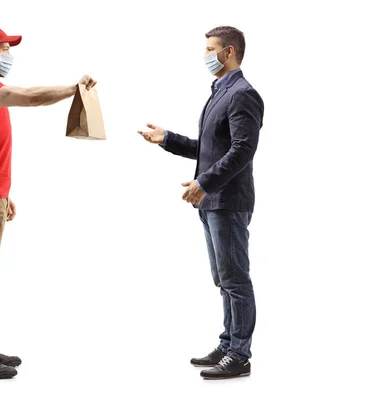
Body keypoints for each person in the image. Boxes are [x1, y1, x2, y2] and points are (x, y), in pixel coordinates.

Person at [0, 25, 97, 379]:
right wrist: (73, 89)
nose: (9, 56)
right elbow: (31, 96)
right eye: (4, 49)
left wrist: (4, 195)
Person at [137, 26, 264, 380]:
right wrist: (168, 139)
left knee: (236, 280)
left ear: (229, 52)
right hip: (212, 203)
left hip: (228, 201)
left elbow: (243, 150)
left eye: (210, 49)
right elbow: (209, 149)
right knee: (223, 279)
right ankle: (227, 344)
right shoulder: (220, 91)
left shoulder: (243, 94)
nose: (205, 55)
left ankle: (240, 354)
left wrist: (204, 183)